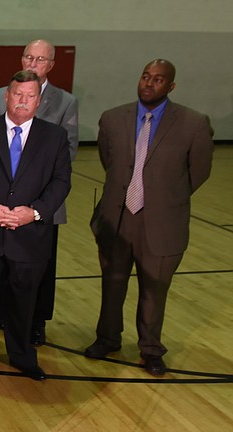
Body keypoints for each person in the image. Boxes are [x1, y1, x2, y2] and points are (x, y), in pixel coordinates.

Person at [86, 59, 213, 376]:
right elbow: (110, 161)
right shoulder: (113, 118)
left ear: (171, 86)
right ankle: (107, 338)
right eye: (145, 76)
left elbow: (198, 172)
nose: (149, 82)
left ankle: (150, 349)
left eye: (158, 79)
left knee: (154, 291)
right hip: (117, 217)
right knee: (112, 284)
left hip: (161, 221)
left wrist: (162, 198)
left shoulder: (193, 123)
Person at [0, 70, 71, 380]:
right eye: (17, 94)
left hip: (30, 235)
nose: (23, 100)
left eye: (30, 96)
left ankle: (22, 356)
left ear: (39, 100)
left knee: (24, 302)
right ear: (6, 96)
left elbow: (61, 182)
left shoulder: (55, 137)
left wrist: (33, 212)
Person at [0, 39, 78, 346]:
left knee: (39, 271)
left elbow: (70, 151)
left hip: (41, 204)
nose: (33, 63)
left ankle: (35, 324)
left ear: (51, 65)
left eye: (41, 59)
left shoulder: (65, 102)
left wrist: (35, 204)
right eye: (29, 57)